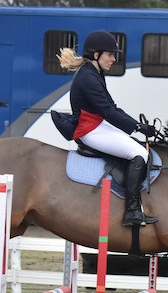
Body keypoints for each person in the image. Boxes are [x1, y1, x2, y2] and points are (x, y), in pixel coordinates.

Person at [54, 30, 157, 226]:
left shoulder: (94, 73)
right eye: (110, 54)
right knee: (139, 154)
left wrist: (138, 125)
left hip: (98, 125)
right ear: (96, 55)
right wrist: (137, 126)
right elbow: (108, 111)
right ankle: (132, 212)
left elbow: (113, 108)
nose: (113, 59)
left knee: (135, 147)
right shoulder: (88, 78)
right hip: (90, 130)